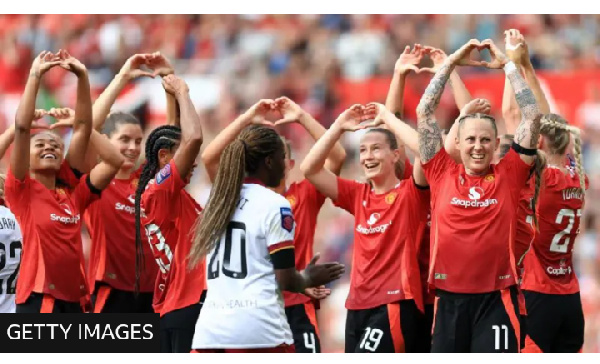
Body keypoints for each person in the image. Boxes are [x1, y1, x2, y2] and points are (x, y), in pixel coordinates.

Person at [416, 39, 542, 352]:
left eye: (485, 140)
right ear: (456, 142)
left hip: (496, 299)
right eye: (470, 139)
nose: (477, 146)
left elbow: (532, 117)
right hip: (447, 300)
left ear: (496, 141)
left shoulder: (509, 173)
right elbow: (424, 111)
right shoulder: (440, 170)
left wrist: (508, 66)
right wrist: (450, 64)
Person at [200, 96, 346, 352]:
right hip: (256, 307)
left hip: (295, 306)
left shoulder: (304, 195)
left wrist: (301, 116)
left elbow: (337, 155)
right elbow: (210, 159)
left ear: (288, 163)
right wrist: (246, 118)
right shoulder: (237, 196)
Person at [300, 101, 430, 353]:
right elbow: (310, 169)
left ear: (395, 155)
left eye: (376, 149)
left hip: (394, 302)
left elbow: (426, 151)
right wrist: (338, 126)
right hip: (357, 304)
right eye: (363, 151)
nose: (368, 156)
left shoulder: (411, 193)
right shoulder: (357, 194)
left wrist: (388, 119)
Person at [5, 50, 124, 313]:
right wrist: (35, 75)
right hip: (39, 300)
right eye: (41, 144)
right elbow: (23, 128)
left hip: (77, 302)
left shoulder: (74, 194)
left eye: (56, 145)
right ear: (26, 155)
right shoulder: (21, 190)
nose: (49, 147)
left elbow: (109, 156)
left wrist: (82, 77)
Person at [57, 52, 175, 313]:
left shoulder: (149, 179)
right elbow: (88, 126)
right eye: (124, 140)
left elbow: (171, 135)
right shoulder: (94, 181)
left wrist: (169, 78)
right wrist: (122, 78)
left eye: (137, 141)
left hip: (155, 295)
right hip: (109, 295)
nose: (132, 147)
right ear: (105, 141)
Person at [133, 74, 205, 352]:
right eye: (185, 155)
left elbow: (174, 136)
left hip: (175, 306)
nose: (194, 163)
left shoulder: (168, 194)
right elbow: (194, 138)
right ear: (164, 157)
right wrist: (183, 91)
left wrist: (170, 97)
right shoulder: (160, 192)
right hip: (187, 305)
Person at [520, 114, 587, 353]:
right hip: (570, 296)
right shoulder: (577, 178)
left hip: (537, 292)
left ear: (538, 141)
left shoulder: (542, 178)